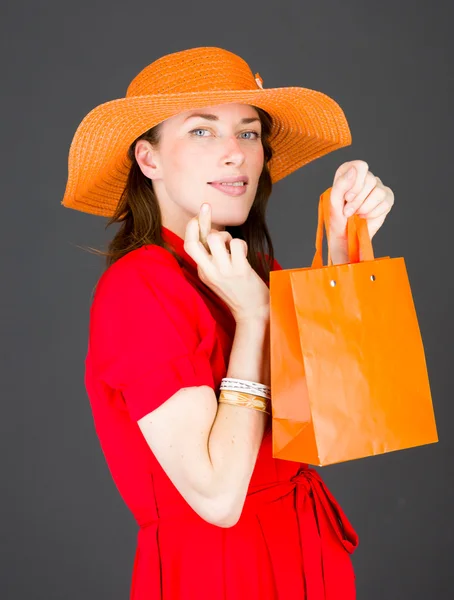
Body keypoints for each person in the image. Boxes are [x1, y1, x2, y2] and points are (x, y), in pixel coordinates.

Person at [61, 46, 394, 600]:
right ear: (148, 159)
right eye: (201, 132)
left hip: (306, 558)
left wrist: (342, 246)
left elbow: (336, 424)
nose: (235, 154)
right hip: (220, 573)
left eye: (248, 132)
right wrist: (255, 318)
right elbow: (218, 497)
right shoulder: (139, 287)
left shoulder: (245, 268)